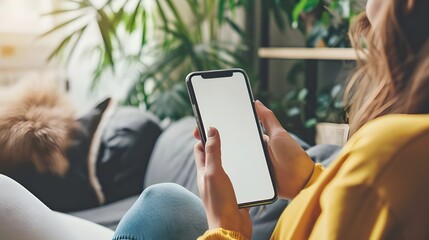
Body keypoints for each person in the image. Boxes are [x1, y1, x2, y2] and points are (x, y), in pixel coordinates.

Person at [0, 0, 428, 239]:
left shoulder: (395, 151)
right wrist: (307, 179)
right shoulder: (397, 150)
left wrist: (227, 230)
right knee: (166, 202)